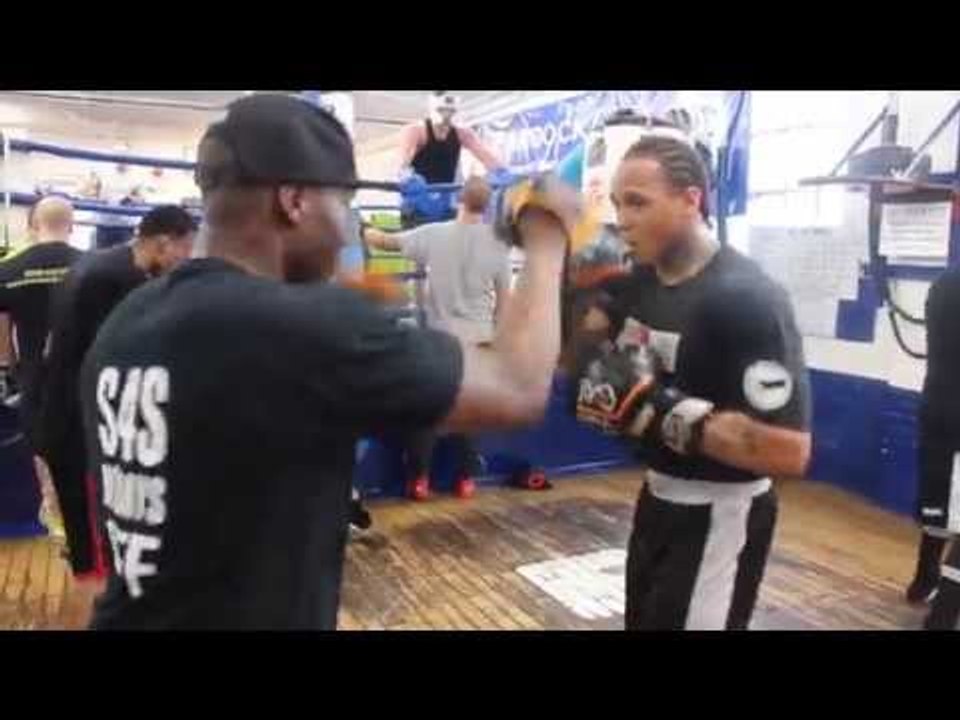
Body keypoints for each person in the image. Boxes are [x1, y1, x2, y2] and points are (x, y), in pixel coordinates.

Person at [77, 93, 579, 630]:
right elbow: (519, 388)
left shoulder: (128, 319)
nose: (345, 230)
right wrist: (546, 234)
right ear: (294, 200)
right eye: (343, 204)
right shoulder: (296, 327)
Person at [569, 136, 812, 630]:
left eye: (638, 202)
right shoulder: (634, 284)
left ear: (690, 199)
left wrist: (657, 410)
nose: (623, 219)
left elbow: (789, 452)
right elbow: (579, 371)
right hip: (656, 498)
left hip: (722, 511)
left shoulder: (747, 298)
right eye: (617, 203)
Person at [39, 205, 197, 583]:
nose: (186, 261)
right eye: (186, 250)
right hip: (82, 432)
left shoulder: (100, 265)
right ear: (164, 243)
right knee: (99, 554)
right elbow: (116, 361)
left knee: (95, 547)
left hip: (71, 422)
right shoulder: (118, 281)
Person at [362, 176, 512, 500]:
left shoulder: (434, 234)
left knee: (429, 411)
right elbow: (505, 301)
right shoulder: (499, 244)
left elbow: (385, 242)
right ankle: (466, 480)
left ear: (459, 200)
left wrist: (363, 228)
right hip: (479, 341)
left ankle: (419, 480)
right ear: (487, 206)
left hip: (439, 341)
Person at [0, 196, 84, 537]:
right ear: (72, 225)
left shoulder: (9, 270)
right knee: (82, 450)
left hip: (35, 378)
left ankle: (55, 516)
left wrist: (11, 368)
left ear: (33, 226)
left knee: (43, 450)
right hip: (84, 377)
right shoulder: (93, 265)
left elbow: (2, 333)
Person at [911, 264, 960, 628]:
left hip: (937, 405)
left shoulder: (943, 283)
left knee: (937, 503)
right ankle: (944, 613)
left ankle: (923, 580)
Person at [398, 92, 504, 185]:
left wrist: (501, 171)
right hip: (418, 192)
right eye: (441, 110)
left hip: (446, 193)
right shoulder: (415, 131)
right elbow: (403, 162)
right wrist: (407, 178)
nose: (447, 115)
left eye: (451, 111)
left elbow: (485, 154)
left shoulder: (463, 133)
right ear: (433, 110)